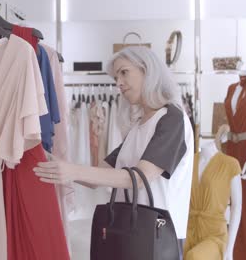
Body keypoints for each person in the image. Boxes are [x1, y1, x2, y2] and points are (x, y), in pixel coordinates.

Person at [34, 46, 194, 258]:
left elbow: (138, 178)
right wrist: (48, 160)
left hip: (157, 235)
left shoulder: (172, 119)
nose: (118, 83)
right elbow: (98, 176)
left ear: (147, 70)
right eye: (116, 76)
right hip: (130, 231)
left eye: (124, 72)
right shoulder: (138, 126)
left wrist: (71, 171)